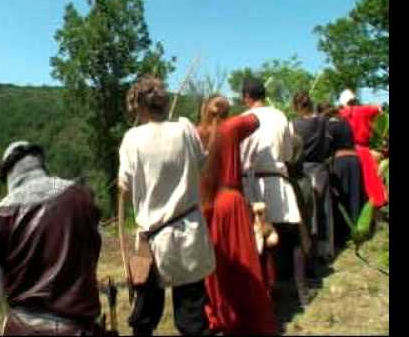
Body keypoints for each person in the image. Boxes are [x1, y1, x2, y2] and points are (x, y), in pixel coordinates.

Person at [117, 75, 215, 336]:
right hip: (187, 234)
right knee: (192, 317)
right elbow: (202, 163)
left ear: (139, 106)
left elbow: (123, 185)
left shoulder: (132, 138)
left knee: (143, 319)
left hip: (151, 239)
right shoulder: (184, 129)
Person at [0, 141, 104, 335]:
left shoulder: (0, 216)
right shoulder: (82, 198)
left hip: (25, 330)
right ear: (41, 165)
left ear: (9, 175)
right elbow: (93, 248)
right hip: (81, 329)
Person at [200, 94, 278, 335]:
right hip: (231, 202)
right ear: (226, 111)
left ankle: (221, 314)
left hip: (207, 205)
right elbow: (255, 120)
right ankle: (249, 316)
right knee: (244, 263)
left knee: (216, 265)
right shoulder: (232, 127)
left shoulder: (196, 132)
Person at [239, 79, 309, 306]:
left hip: (252, 185)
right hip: (278, 180)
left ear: (246, 97)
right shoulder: (279, 116)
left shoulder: (241, 120)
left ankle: (269, 290)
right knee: (292, 235)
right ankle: (301, 291)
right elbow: (288, 154)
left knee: (261, 240)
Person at [292, 92, 335, 261]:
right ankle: (325, 251)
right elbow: (329, 143)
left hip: (303, 171)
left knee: (307, 213)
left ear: (296, 106)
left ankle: (309, 253)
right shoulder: (324, 121)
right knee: (324, 211)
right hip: (320, 169)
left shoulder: (293, 124)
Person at [318, 102, 368, 246]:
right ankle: (358, 231)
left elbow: (326, 149)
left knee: (342, 196)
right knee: (355, 195)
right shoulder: (346, 124)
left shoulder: (330, 126)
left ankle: (344, 234)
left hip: (342, 162)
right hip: (355, 161)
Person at [338, 89, 387, 208]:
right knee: (372, 187)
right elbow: (380, 109)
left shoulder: (341, 113)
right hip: (364, 151)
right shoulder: (364, 110)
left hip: (346, 152)